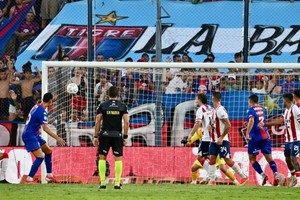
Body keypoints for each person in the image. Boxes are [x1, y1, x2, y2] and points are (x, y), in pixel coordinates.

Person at [188, 93, 239, 185]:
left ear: (199, 100)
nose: (196, 101)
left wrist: (190, 134)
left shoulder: (200, 110)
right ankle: (210, 177)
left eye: (196, 99)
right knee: (216, 162)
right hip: (213, 138)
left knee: (202, 158)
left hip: (207, 138)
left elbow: (198, 123)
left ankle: (212, 176)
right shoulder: (212, 109)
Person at [22, 93, 65, 183]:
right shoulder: (42, 112)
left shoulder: (36, 106)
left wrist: (37, 128)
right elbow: (45, 128)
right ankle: (29, 180)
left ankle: (49, 176)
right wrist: (57, 138)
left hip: (34, 133)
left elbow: (32, 120)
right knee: (40, 157)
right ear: (50, 101)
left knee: (48, 151)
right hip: (29, 135)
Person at [207, 92, 248, 185]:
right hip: (213, 140)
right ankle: (212, 180)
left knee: (227, 160)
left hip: (222, 140)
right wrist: (210, 126)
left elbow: (228, 125)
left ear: (213, 99)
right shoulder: (213, 110)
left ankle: (243, 176)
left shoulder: (220, 110)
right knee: (212, 158)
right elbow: (214, 123)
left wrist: (221, 137)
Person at [93, 86, 129, 190]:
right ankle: (117, 183)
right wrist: (125, 136)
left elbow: (98, 121)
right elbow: (126, 122)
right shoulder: (122, 106)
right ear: (118, 94)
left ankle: (103, 183)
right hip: (117, 135)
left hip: (104, 135)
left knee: (102, 157)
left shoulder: (103, 105)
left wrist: (96, 136)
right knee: (118, 159)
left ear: (108, 94)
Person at [261, 93, 300, 187]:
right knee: (287, 159)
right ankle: (293, 177)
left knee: (293, 158)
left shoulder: (295, 109)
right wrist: (265, 124)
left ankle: (299, 181)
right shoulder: (286, 110)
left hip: (296, 138)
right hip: (288, 139)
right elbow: (279, 121)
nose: (282, 101)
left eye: (283, 100)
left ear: (286, 100)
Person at [245, 94, 281, 186]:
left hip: (254, 138)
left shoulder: (250, 110)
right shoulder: (262, 109)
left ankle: (263, 174)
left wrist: (247, 133)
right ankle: (276, 174)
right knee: (269, 158)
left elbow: (252, 121)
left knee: (252, 159)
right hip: (265, 136)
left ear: (250, 101)